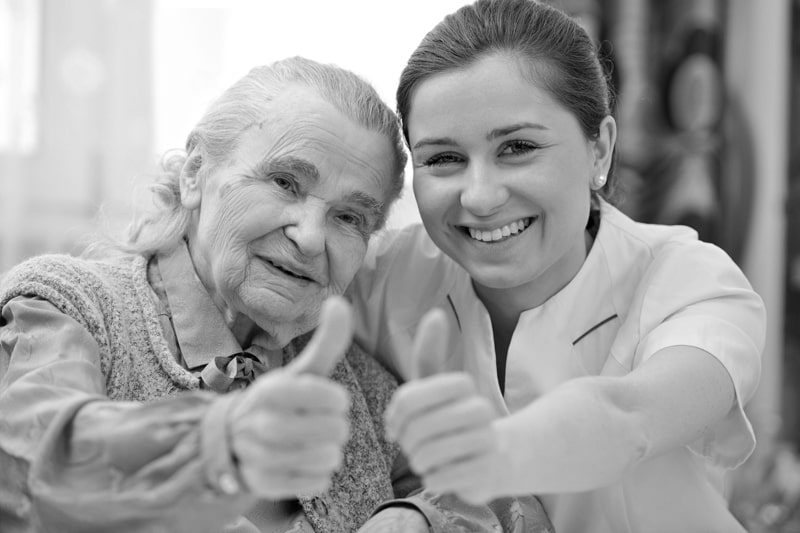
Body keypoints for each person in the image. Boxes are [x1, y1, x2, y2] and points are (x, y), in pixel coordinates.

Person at [0, 56, 551, 533]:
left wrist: (420, 518)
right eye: (286, 181)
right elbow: (22, 464)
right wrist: (220, 441)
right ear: (195, 173)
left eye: (349, 217)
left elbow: (511, 503)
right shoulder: (68, 306)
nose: (311, 238)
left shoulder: (352, 379)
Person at [347, 1, 766, 532]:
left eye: (517, 147)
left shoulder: (692, 282)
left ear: (601, 150)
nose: (479, 197)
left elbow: (632, 418)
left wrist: (486, 460)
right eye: (443, 159)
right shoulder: (384, 275)